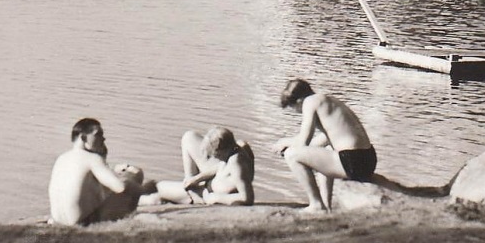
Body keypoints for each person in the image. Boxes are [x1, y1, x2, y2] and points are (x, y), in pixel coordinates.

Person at [273, 79, 377, 212]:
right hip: (368, 159)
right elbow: (321, 141)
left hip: (353, 161)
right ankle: (325, 207)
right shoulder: (327, 100)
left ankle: (316, 204)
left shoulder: (310, 102)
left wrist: (284, 142)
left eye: (292, 107)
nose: (295, 112)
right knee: (323, 152)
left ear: (298, 101)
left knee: (291, 155)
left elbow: (302, 143)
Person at [48, 118, 145, 226]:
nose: (103, 139)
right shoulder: (92, 158)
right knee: (131, 183)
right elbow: (120, 187)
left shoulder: (62, 158)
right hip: (83, 223)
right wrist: (138, 184)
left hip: (58, 221)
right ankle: (130, 219)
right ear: (84, 138)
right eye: (98, 134)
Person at [147, 127, 255, 206]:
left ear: (221, 151)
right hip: (206, 187)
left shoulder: (236, 163)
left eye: (213, 155)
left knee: (158, 189)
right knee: (189, 136)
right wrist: (196, 179)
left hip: (204, 194)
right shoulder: (235, 150)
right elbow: (220, 166)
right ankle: (187, 183)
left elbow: (247, 198)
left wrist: (216, 198)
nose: (213, 158)